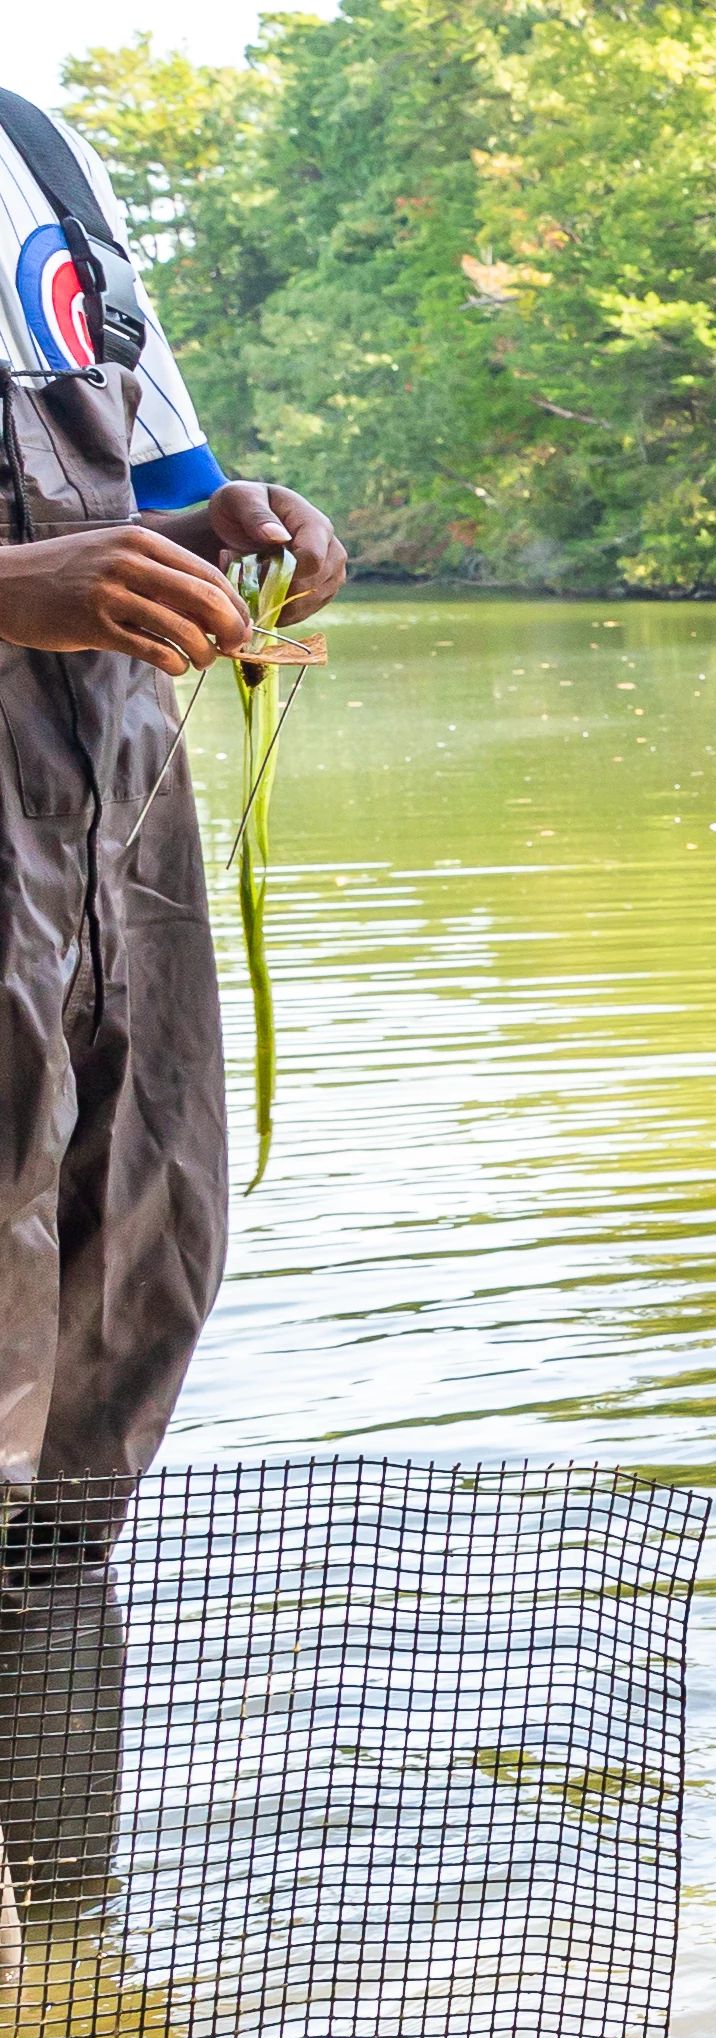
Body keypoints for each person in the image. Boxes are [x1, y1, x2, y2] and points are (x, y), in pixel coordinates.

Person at [0, 79, 345, 1507]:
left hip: (115, 841)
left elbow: (140, 498)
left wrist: (220, 533)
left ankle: (51, 1729)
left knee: (123, 1322)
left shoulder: (38, 152)